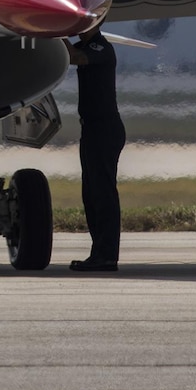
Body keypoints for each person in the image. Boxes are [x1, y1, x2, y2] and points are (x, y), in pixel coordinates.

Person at [68, 20, 124, 272]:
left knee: (103, 194)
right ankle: (99, 252)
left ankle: (107, 255)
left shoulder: (102, 48)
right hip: (91, 129)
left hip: (104, 129)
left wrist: (52, 31)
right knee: (91, 194)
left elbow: (77, 58)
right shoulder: (85, 45)